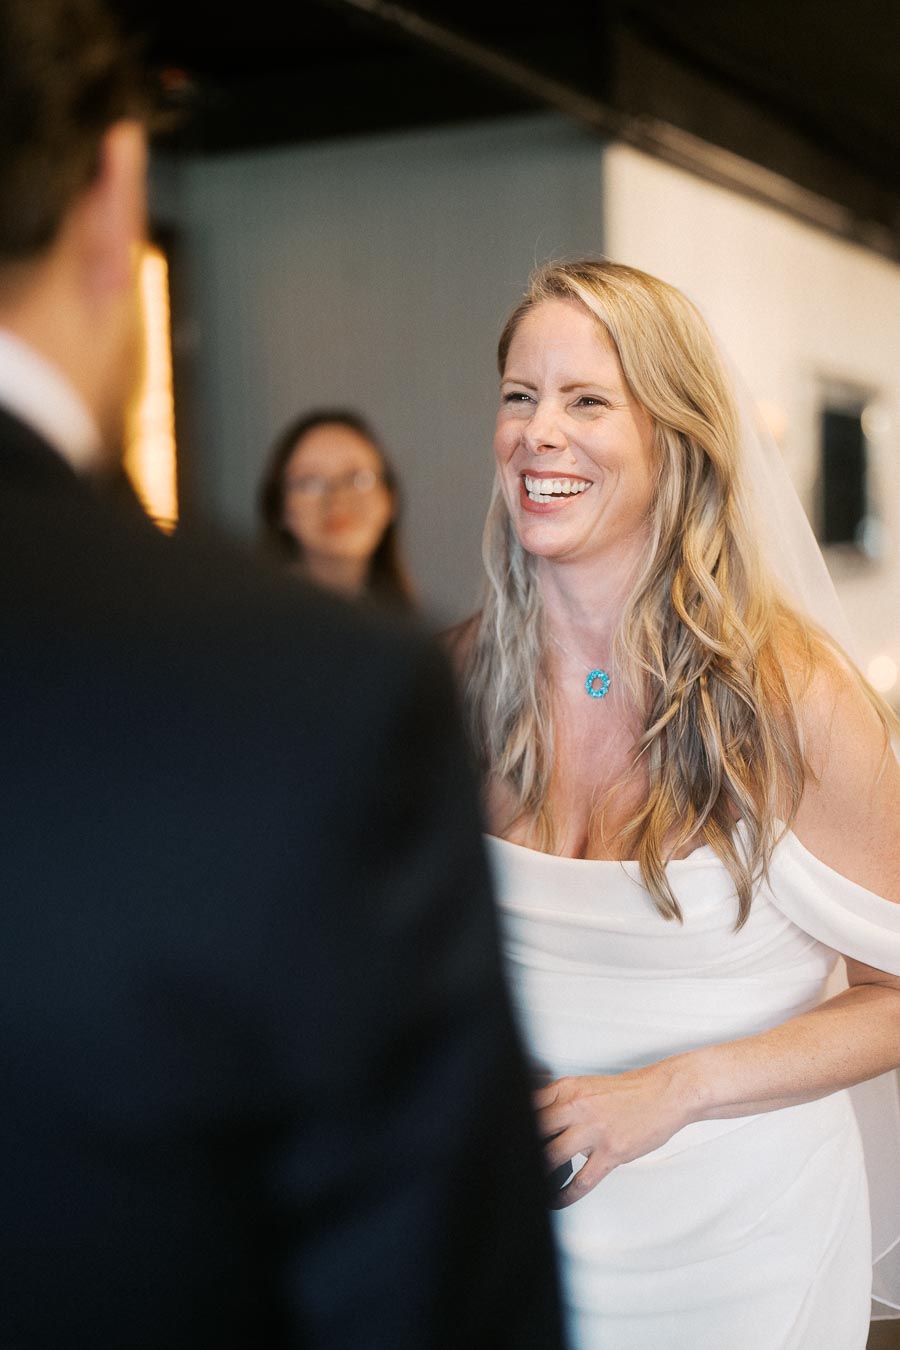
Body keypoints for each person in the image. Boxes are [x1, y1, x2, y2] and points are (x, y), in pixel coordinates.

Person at [0, 4, 566, 1348]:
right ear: (114, 194)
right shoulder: (309, 690)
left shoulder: (368, 666)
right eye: (527, 399)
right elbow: (432, 1284)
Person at [450, 258, 900, 1349]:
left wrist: (677, 1089)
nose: (538, 433)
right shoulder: (466, 679)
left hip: (740, 1248)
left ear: (678, 434)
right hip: (514, 1237)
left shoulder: (794, 697)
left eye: (587, 399)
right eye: (520, 396)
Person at [259, 409, 416, 609]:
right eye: (310, 482)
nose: (337, 500)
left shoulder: (410, 627)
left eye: (357, 479)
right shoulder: (254, 625)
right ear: (279, 509)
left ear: (389, 499)